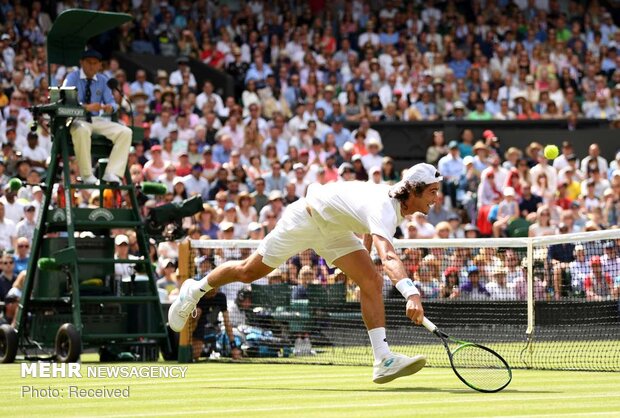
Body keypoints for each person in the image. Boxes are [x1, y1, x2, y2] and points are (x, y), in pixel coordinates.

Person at [170, 163, 443, 383]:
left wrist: (362, 255)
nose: (436, 198)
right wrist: (411, 294)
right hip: (305, 219)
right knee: (248, 271)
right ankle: (196, 289)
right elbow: (390, 256)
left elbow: (366, 228)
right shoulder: (384, 206)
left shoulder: (393, 205)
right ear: (414, 191)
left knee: (370, 277)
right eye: (432, 191)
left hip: (334, 229)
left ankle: (383, 359)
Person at [63, 49, 132, 184]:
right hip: (76, 119)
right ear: (81, 63)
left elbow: (112, 102)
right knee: (82, 130)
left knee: (125, 132)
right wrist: (85, 107)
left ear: (100, 65)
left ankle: (112, 173)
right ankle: (87, 175)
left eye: (95, 63)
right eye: (89, 62)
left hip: (96, 119)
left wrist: (111, 107)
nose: (92, 66)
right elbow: (65, 101)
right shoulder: (72, 77)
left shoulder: (102, 79)